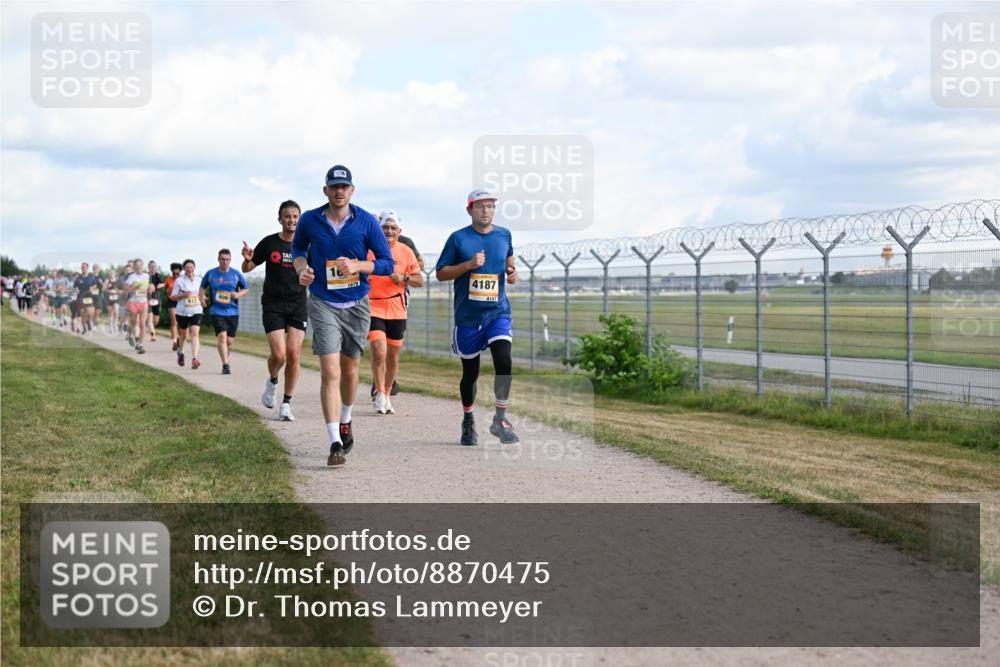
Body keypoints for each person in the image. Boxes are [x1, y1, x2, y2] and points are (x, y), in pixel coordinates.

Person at [291, 164, 393, 466]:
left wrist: (359, 266)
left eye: (344, 187)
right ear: (325, 190)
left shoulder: (367, 222)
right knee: (330, 371)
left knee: (350, 371)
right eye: (333, 187)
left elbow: (386, 263)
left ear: (352, 190)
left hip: (357, 304)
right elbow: (298, 249)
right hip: (323, 302)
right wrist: (301, 269)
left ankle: (346, 420)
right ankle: (334, 439)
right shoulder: (310, 220)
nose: (338, 192)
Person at [435, 189, 520, 446]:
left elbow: (508, 258)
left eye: (490, 206)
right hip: (469, 317)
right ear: (470, 210)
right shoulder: (458, 239)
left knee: (503, 361)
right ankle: (468, 420)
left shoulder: (504, 235)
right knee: (470, 373)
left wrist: (512, 271)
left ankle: (500, 419)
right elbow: (441, 273)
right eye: (480, 206)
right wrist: (467, 265)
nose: (486, 210)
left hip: (498, 312)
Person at [242, 200, 307, 421]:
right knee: (279, 355)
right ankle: (272, 381)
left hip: (298, 303)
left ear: (300, 219)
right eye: (287, 216)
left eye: (295, 216)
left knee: (294, 354)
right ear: (280, 219)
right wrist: (248, 260)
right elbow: (248, 268)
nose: (291, 220)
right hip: (273, 304)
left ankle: (286, 403)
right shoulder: (270, 243)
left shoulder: (307, 245)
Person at [367, 210, 423, 414]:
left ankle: (388, 393)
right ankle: (379, 392)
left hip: (397, 309)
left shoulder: (406, 251)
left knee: (393, 357)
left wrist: (404, 277)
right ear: (379, 230)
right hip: (373, 306)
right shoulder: (369, 250)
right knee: (379, 351)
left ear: (399, 231)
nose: (389, 231)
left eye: (393, 228)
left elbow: (419, 280)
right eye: (385, 227)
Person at [199, 248, 249, 374]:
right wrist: (201, 298)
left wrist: (238, 294)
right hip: (216, 311)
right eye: (222, 259)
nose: (225, 262)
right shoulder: (211, 273)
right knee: (222, 337)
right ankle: (225, 365)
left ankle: (225, 355)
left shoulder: (236, 274)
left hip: (233, 312)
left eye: (227, 259)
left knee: (229, 341)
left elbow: (246, 289)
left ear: (230, 260)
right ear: (218, 259)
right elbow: (202, 287)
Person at [170, 258, 204, 369]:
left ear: (194, 268)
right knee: (184, 335)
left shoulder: (199, 280)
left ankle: (195, 358)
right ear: (184, 269)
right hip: (182, 311)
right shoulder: (179, 281)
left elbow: (202, 293)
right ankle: (181, 352)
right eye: (187, 267)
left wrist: (203, 298)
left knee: (195, 333)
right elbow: (173, 296)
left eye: (191, 267)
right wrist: (183, 296)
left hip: (196, 310)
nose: (189, 269)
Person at [125, 258, 150, 353]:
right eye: (137, 265)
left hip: (143, 302)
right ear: (134, 267)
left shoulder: (147, 276)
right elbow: (126, 289)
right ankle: (130, 334)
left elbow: (150, 287)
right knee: (133, 323)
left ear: (142, 266)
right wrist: (135, 287)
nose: (139, 267)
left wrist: (151, 288)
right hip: (133, 302)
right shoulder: (132, 277)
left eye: (140, 265)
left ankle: (140, 343)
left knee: (142, 323)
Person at [146, 260, 166, 342]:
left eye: (154, 266)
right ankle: (152, 333)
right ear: (148, 267)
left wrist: (155, 287)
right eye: (151, 266)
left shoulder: (158, 276)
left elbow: (163, 284)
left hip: (156, 299)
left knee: (156, 320)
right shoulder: (145, 276)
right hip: (147, 299)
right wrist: (147, 287)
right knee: (150, 319)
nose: (153, 268)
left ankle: (151, 328)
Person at [164, 263, 182, 350]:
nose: (175, 275)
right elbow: (167, 292)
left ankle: (179, 339)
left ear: (180, 272)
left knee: (181, 323)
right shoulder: (168, 280)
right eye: (174, 273)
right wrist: (169, 290)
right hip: (171, 301)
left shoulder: (183, 280)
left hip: (181, 302)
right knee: (174, 321)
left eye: (177, 274)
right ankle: (174, 342)